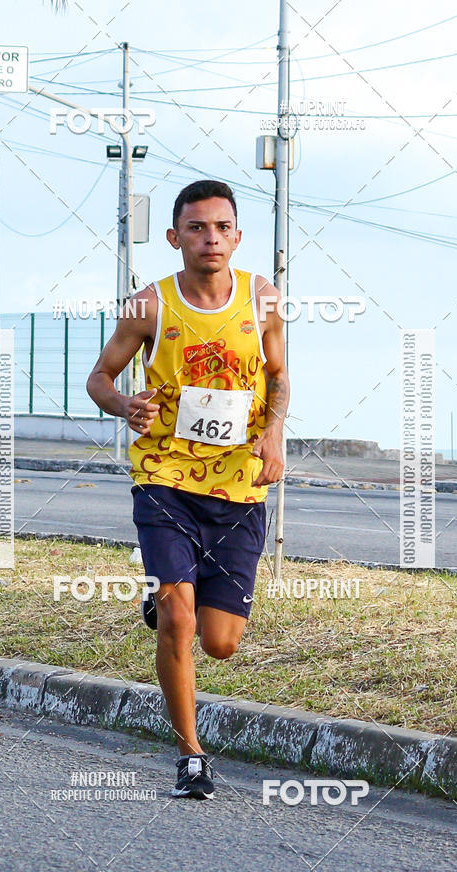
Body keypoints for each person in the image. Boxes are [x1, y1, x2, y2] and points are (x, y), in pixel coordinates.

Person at [87, 179, 289, 799]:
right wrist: (124, 405)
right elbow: (100, 377)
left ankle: (168, 597)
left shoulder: (262, 299)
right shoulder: (149, 305)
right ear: (175, 237)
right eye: (197, 228)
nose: (210, 239)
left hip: (237, 489)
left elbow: (279, 376)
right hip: (165, 480)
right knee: (178, 619)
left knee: (220, 643)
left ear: (237, 236)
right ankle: (191, 756)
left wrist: (274, 432)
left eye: (222, 228)